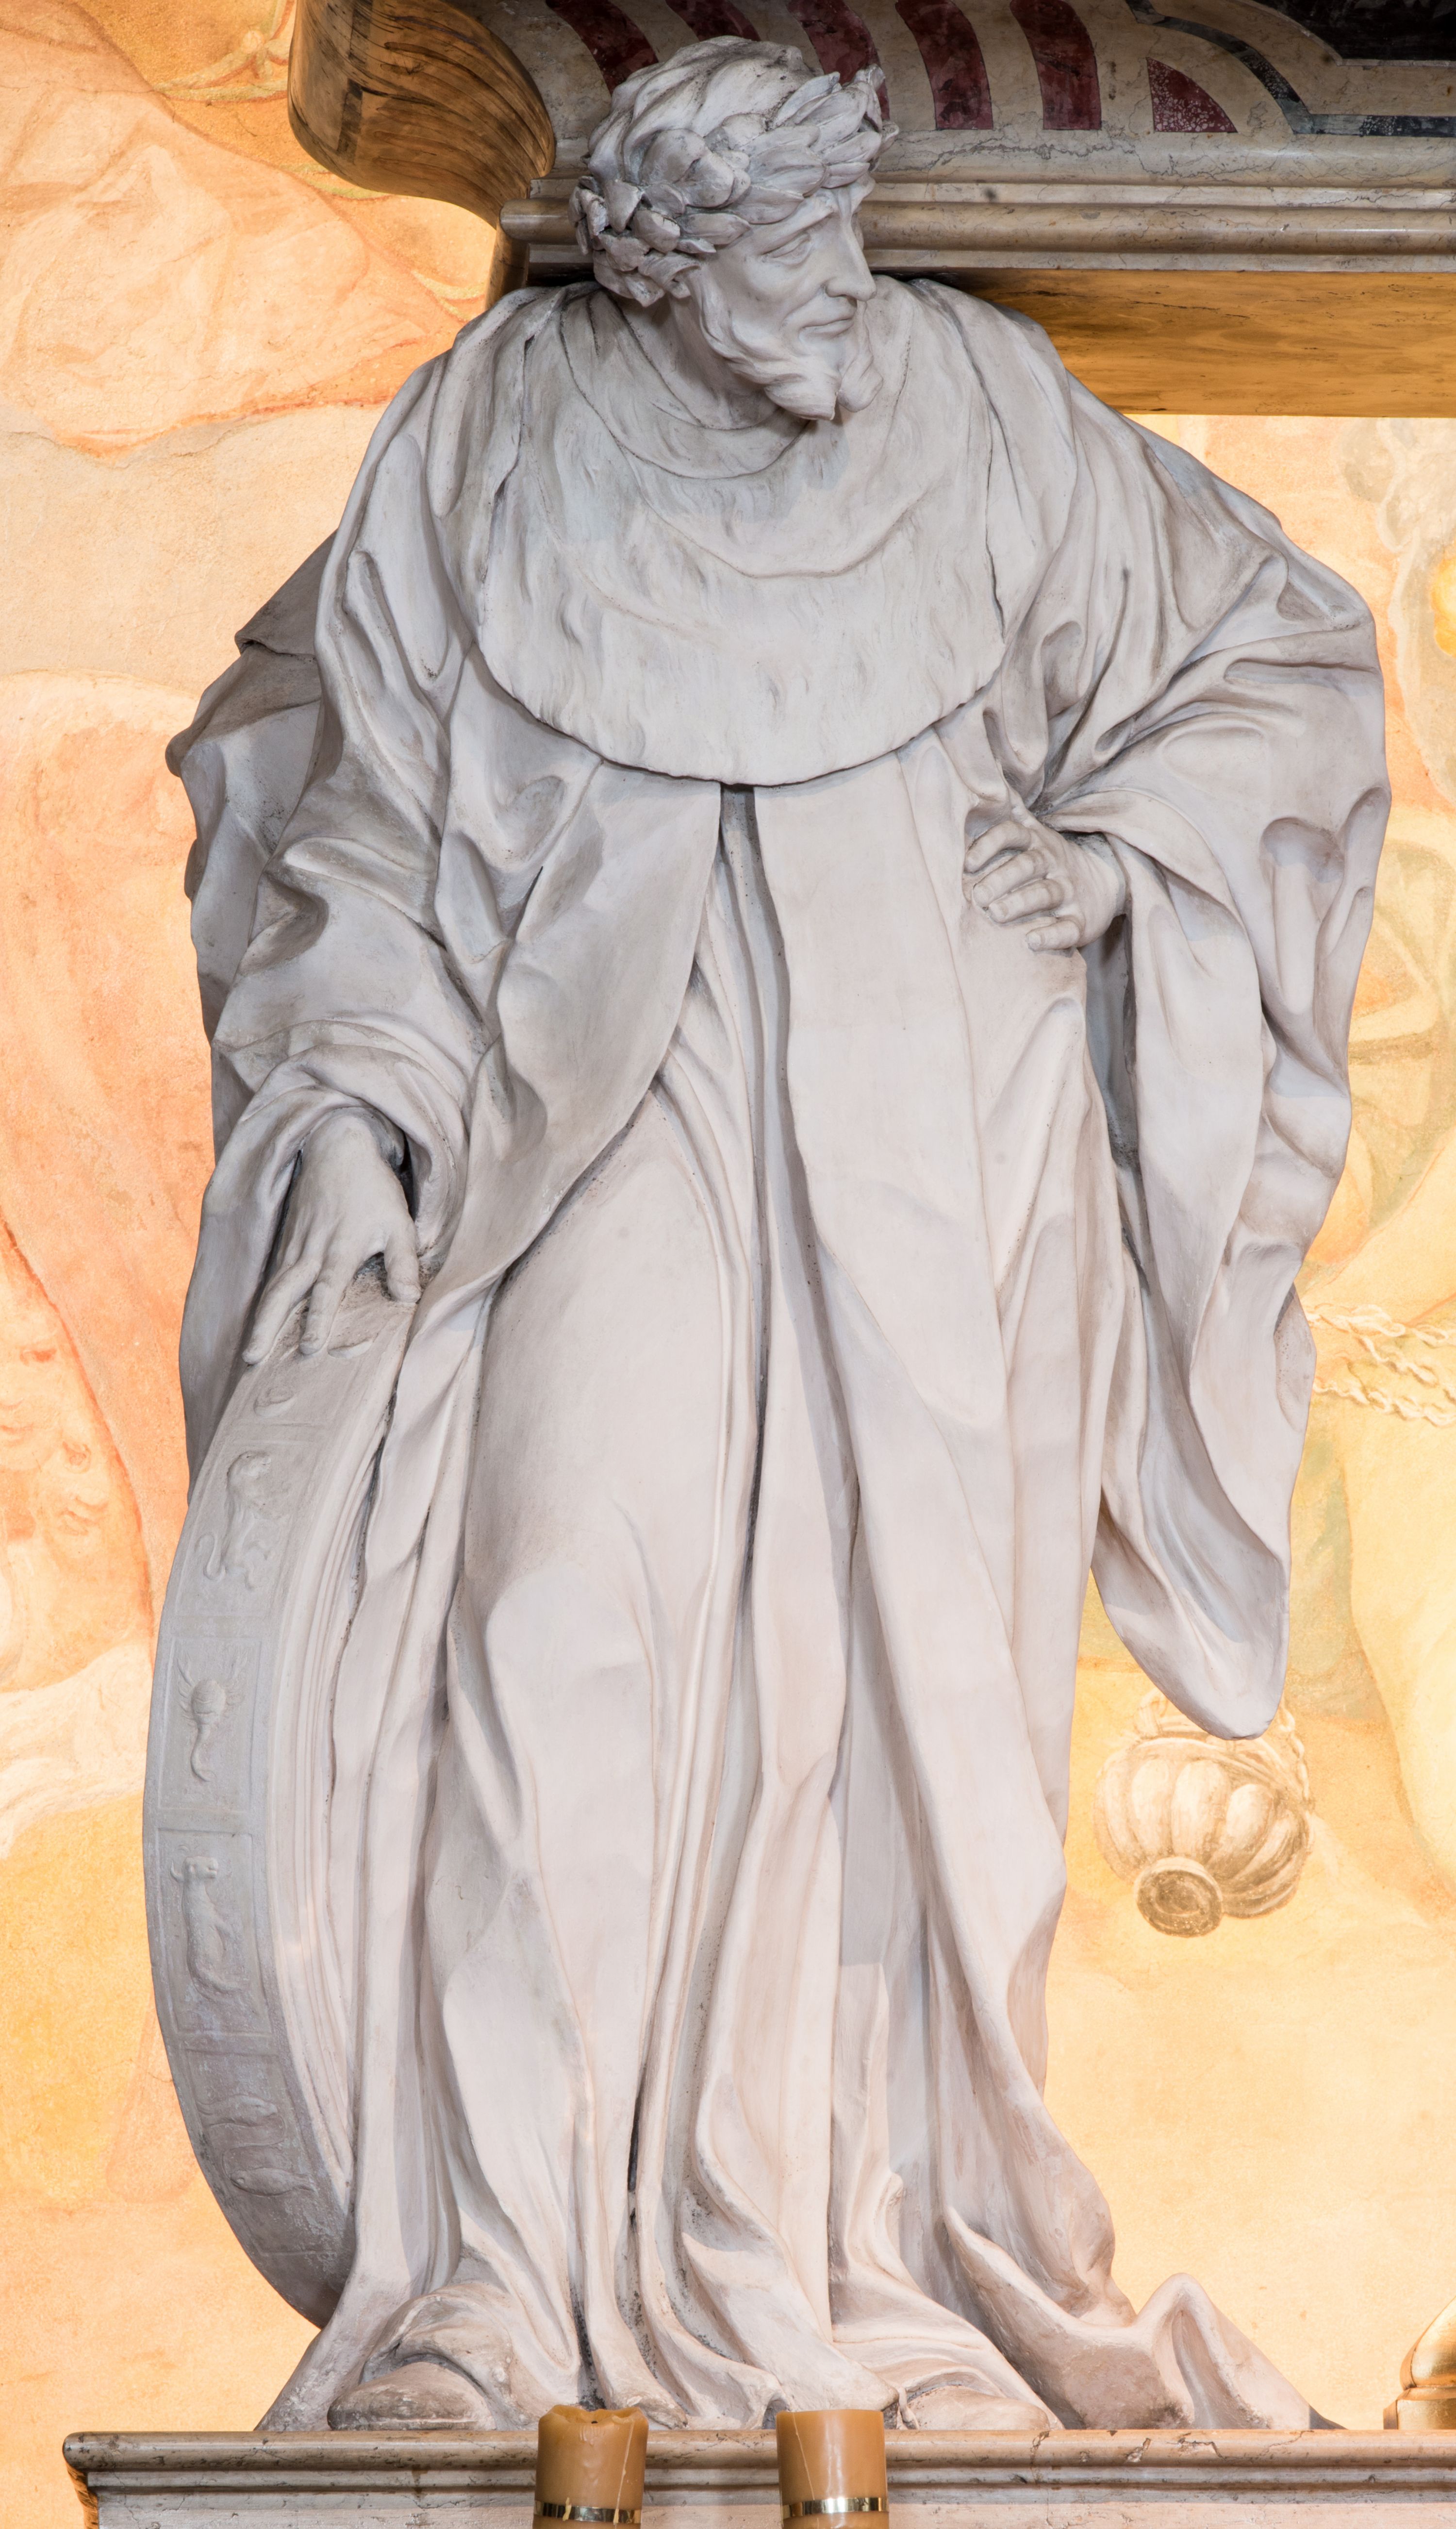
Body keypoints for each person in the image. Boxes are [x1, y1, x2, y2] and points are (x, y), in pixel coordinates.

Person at [168, 36, 1388, 2433]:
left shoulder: (981, 415)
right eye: (790, 258)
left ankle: (868, 2251)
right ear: (660, 270)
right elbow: (366, 807)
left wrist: (1124, 865)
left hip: (945, 1133)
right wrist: (357, 1103)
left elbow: (1273, 656)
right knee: (554, 1608)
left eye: (850, 240)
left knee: (900, 1698)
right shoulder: (495, 436)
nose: (844, 290)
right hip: (593, 1111)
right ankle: (504, 2278)